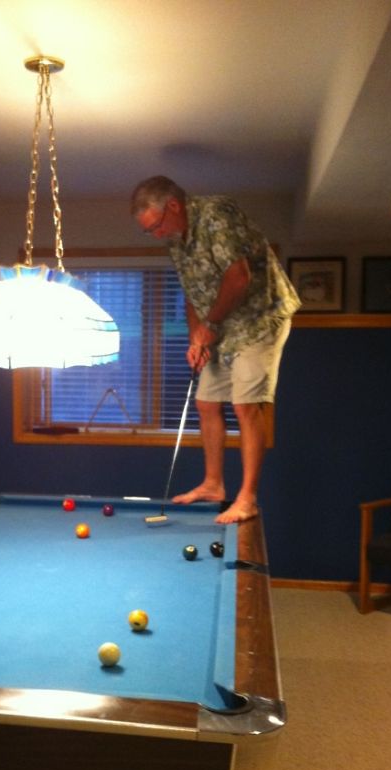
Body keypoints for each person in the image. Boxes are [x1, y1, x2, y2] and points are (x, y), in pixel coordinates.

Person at [131, 175, 300, 524]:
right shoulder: (176, 241)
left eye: (156, 225)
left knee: (245, 404)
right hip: (221, 327)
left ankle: (247, 497)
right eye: (149, 231)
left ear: (174, 206)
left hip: (260, 318)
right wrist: (196, 337)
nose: (156, 234)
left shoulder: (216, 214)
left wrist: (208, 327)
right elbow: (194, 293)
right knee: (206, 402)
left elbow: (238, 277)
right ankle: (213, 484)